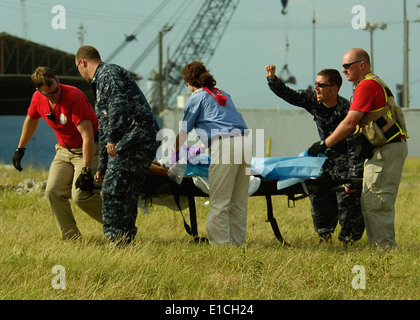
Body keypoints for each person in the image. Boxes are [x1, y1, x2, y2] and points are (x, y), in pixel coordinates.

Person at [307, 48, 408, 250]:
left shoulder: (366, 86)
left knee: (377, 201)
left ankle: (385, 251)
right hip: (385, 149)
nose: (343, 70)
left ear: (362, 65)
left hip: (386, 150)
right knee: (372, 201)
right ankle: (381, 249)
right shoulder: (370, 83)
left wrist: (324, 144)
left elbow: (349, 123)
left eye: (347, 66)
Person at [265, 65, 365, 245]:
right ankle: (324, 235)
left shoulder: (346, 110)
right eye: (316, 84)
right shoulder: (313, 100)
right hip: (324, 158)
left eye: (321, 84)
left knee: (348, 197)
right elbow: (290, 95)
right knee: (317, 191)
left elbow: (354, 147)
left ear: (334, 88)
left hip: (346, 159)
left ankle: (348, 241)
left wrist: (353, 178)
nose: (316, 88)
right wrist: (273, 79)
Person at [75, 45, 160, 244]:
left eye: (77, 68)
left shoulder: (108, 74)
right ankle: (124, 239)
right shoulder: (104, 78)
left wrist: (113, 138)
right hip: (132, 141)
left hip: (135, 139)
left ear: (82, 62)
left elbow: (118, 106)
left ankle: (117, 239)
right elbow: (104, 127)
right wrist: (102, 166)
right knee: (125, 191)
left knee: (113, 191)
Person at [12, 66, 102, 240]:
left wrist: (85, 170)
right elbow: (31, 119)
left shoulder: (74, 97)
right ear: (39, 91)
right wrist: (20, 148)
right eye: (49, 94)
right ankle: (72, 239)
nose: (54, 95)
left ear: (57, 80)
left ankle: (121, 226)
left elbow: (87, 136)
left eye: (55, 90)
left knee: (81, 196)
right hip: (63, 151)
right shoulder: (38, 98)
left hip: (88, 149)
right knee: (52, 191)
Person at [174, 61, 252, 246]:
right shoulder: (223, 94)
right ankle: (238, 244)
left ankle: (221, 248)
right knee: (238, 202)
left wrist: (174, 152)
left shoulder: (196, 97)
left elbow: (185, 131)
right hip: (246, 143)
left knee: (220, 201)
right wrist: (201, 147)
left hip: (225, 146)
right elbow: (221, 122)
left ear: (188, 83)